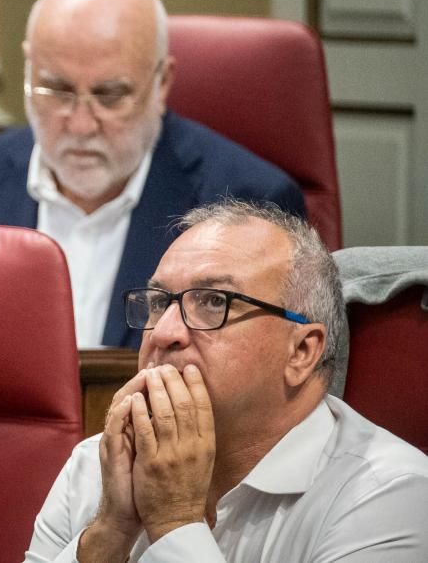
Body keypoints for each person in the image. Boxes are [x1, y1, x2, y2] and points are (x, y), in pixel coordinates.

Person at [0, 0, 305, 347]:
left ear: (162, 83)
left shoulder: (249, 205)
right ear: (28, 70)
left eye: (110, 95)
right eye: (57, 90)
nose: (82, 125)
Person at [24, 200, 428, 561]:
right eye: (160, 302)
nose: (164, 333)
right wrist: (109, 533)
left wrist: (175, 521)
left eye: (214, 302)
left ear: (302, 351)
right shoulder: (97, 465)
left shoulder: (392, 495)